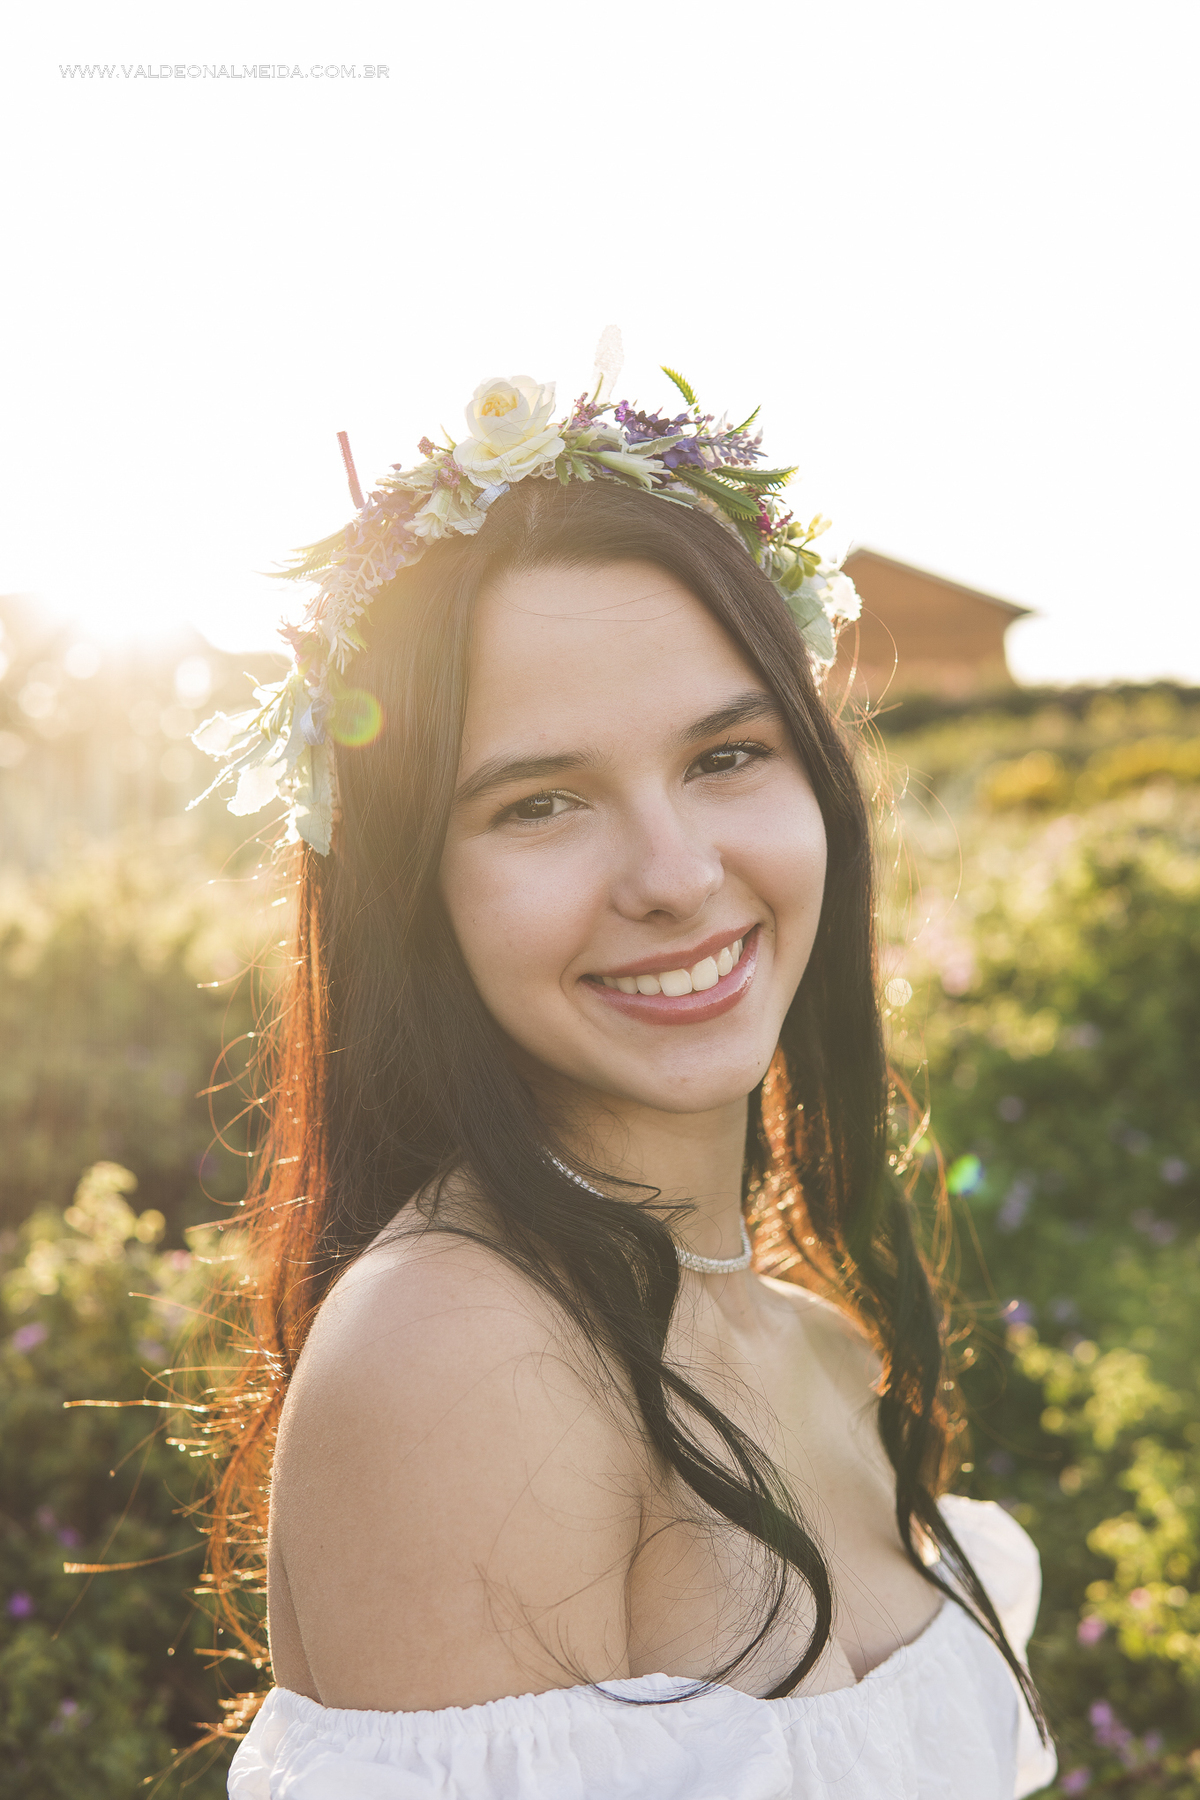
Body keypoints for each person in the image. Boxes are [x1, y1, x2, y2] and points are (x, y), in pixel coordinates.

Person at [196, 361, 1057, 1797]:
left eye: (726, 754)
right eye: (541, 802)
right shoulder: (458, 1356)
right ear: (411, 889)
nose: (676, 876)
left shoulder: (821, 1344)